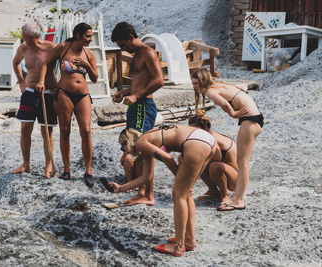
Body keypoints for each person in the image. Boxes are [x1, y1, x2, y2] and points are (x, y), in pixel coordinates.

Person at [109, 126, 218, 256]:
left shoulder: (140, 142)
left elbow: (168, 158)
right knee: (186, 193)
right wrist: (120, 188)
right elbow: (145, 177)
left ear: (127, 141)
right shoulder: (146, 143)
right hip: (208, 141)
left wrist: (178, 177)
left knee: (179, 195)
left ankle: (178, 247)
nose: (125, 152)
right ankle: (189, 241)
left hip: (195, 142)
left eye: (122, 148)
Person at [191, 68, 263, 211]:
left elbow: (224, 104)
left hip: (249, 120)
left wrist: (233, 114)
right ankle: (236, 198)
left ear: (203, 81)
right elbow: (241, 87)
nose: (194, 86)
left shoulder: (210, 91)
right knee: (243, 162)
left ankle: (238, 200)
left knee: (243, 163)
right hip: (253, 119)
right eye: (192, 83)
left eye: (196, 83)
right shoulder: (220, 85)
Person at [111, 22, 164, 203]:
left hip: (143, 106)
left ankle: (143, 192)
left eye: (124, 45)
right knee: (129, 147)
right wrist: (124, 93)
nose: (124, 49)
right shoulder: (136, 55)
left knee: (137, 149)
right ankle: (136, 188)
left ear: (131, 38)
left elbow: (159, 80)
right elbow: (138, 83)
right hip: (135, 106)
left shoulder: (148, 53)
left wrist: (137, 96)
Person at [51, 23, 98, 187]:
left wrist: (86, 65)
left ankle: (89, 170)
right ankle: (66, 169)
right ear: (78, 36)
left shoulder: (89, 53)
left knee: (86, 131)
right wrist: (53, 84)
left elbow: (95, 78)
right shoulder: (63, 48)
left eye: (91, 36)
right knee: (65, 130)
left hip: (83, 94)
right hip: (64, 92)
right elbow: (48, 64)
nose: (90, 39)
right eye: (87, 36)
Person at [12, 22, 57, 179]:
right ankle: (26, 163)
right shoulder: (24, 48)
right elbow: (15, 63)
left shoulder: (51, 47)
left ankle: (49, 164)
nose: (23, 40)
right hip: (29, 92)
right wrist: (21, 82)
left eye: (24, 37)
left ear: (32, 37)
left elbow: (64, 64)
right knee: (25, 128)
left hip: (48, 92)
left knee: (47, 131)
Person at [188, 111, 238, 203]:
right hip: (225, 172)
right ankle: (213, 191)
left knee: (213, 166)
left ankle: (224, 196)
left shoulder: (212, 139)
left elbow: (215, 159)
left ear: (205, 128)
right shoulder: (206, 136)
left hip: (236, 181)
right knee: (197, 160)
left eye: (195, 130)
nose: (193, 132)